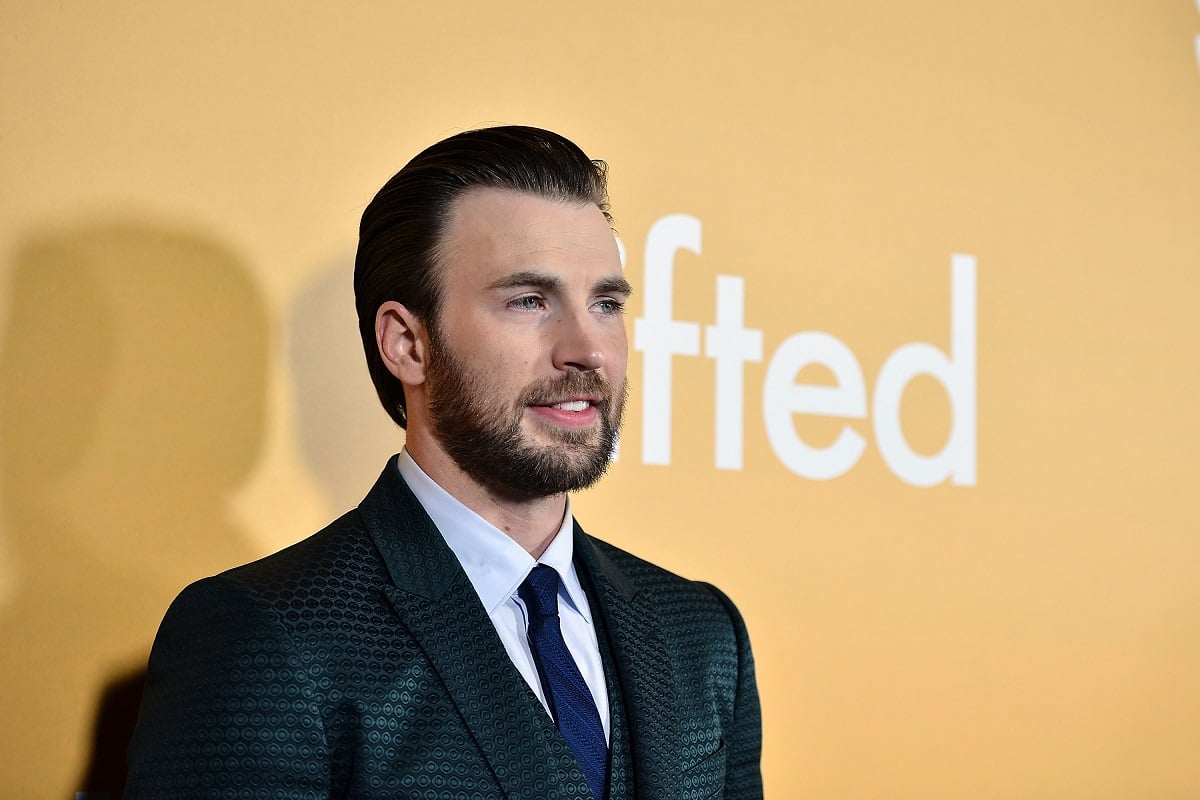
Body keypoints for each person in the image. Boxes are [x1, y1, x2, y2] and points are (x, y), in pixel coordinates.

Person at [125, 125, 763, 799]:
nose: (588, 348)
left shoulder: (700, 634)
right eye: (529, 301)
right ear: (407, 344)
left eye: (605, 303)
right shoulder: (266, 637)